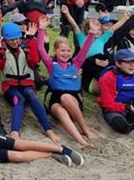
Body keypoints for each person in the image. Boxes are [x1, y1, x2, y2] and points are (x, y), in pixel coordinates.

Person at [0, 23, 58, 143]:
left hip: (27, 84)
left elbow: (34, 61)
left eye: (17, 38)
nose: (15, 42)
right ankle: (15, 132)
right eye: (11, 40)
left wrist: (31, 40)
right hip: (11, 87)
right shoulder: (2, 50)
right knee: (19, 100)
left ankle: (48, 129)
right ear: (5, 40)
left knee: (31, 95)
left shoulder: (25, 48)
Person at [36, 15, 97, 148]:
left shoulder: (75, 64)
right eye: (62, 50)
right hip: (55, 100)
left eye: (68, 50)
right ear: (55, 51)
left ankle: (85, 129)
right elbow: (40, 50)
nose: (66, 53)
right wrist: (41, 29)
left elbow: (85, 50)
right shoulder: (51, 64)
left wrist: (92, 33)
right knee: (60, 109)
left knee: (66, 97)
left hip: (73, 99)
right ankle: (81, 140)